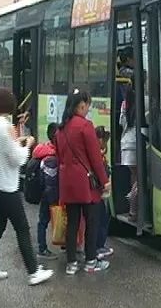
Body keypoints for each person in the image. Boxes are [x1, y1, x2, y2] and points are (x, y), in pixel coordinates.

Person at [0, 88, 53, 286]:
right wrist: (27, 144)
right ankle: (33, 271)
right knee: (22, 227)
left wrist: (16, 141)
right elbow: (18, 159)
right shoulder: (5, 128)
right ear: (10, 105)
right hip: (5, 187)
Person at [55, 88, 110, 274]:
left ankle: (71, 263)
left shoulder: (61, 129)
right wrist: (105, 180)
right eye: (87, 105)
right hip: (85, 183)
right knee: (91, 221)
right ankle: (91, 260)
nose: (88, 109)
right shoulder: (85, 126)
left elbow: (59, 156)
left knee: (73, 222)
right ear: (81, 105)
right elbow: (95, 158)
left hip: (67, 183)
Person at [31, 123, 59, 260]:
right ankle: (42, 248)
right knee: (51, 219)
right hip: (52, 194)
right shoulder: (54, 156)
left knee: (42, 221)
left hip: (42, 192)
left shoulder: (42, 149)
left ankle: (42, 247)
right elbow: (52, 181)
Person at [120, 81, 139, 221]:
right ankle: (133, 208)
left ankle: (133, 211)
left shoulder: (125, 103)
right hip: (136, 144)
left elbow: (121, 122)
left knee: (134, 178)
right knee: (140, 180)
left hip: (126, 144)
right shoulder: (144, 100)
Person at [95, 126, 113, 259]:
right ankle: (99, 247)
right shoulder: (98, 156)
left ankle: (98, 246)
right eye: (105, 139)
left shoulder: (99, 153)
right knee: (102, 220)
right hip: (100, 193)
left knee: (102, 219)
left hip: (100, 193)